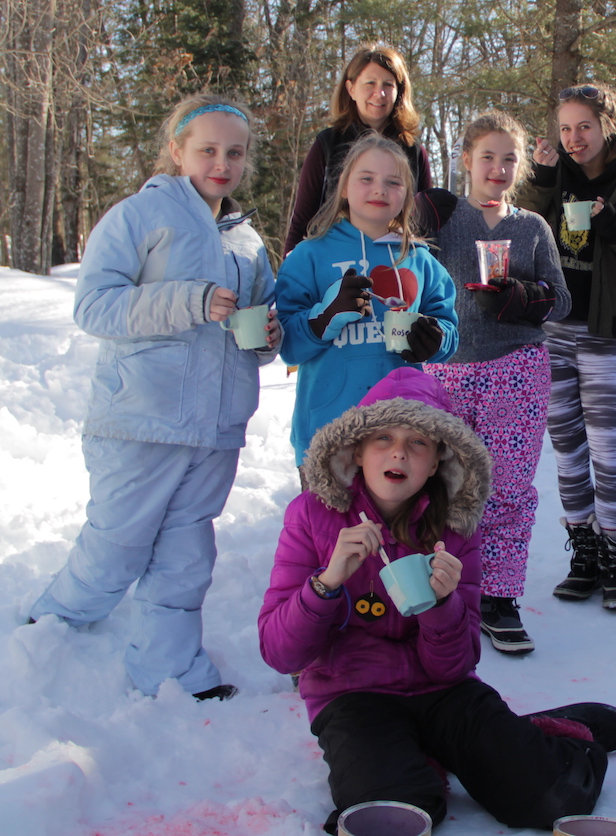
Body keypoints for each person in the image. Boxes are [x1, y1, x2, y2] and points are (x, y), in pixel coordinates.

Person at [258, 367, 616, 832]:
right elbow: (279, 653)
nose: (399, 451)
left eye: (418, 442)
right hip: (353, 695)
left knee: (548, 798)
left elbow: (455, 666)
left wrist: (443, 607)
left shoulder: (455, 527)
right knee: (392, 811)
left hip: (444, 693)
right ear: (356, 450)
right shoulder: (312, 515)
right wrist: (327, 583)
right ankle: (427, 759)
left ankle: (555, 736)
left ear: (437, 461)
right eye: (383, 438)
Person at [28, 94, 281, 700]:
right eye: (208, 150)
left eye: (235, 152)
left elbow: (262, 324)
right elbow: (94, 306)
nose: (222, 162)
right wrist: (188, 300)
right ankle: (52, 627)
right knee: (119, 540)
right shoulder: (140, 217)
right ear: (178, 150)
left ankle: (171, 668)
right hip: (141, 416)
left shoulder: (248, 242)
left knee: (187, 556)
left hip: (216, 426)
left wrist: (268, 336)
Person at [516, 82, 616, 611]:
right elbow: (521, 228)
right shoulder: (552, 176)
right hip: (553, 329)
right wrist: (538, 177)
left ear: (608, 126)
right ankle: (583, 556)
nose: (574, 137)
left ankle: (615, 558)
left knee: (608, 452)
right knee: (568, 452)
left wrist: (613, 223)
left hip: (608, 333)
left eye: (584, 126)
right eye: (565, 128)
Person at [424, 110, 571, 654]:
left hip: (515, 368)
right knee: (441, 486)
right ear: (466, 160)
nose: (499, 167)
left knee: (507, 489)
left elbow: (562, 298)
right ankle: (444, 587)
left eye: (510, 158)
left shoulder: (531, 227)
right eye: (488, 156)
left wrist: (524, 297)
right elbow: (404, 270)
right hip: (447, 368)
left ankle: (500, 599)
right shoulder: (442, 219)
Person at [276, 132, 459, 469]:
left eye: (393, 182)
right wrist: (325, 317)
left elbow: (448, 329)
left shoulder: (419, 259)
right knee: (328, 523)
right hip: (328, 429)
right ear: (344, 188)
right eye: (367, 179)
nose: (380, 189)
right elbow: (288, 345)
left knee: (396, 523)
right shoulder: (309, 256)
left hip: (401, 433)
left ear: (407, 196)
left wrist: (433, 339)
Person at [284, 43, 453, 253]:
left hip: (393, 260)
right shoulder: (327, 144)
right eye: (370, 83)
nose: (379, 93)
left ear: (399, 91)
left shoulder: (412, 150)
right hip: (334, 256)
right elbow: (302, 219)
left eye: (388, 85)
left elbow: (425, 225)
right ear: (351, 89)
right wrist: (289, 270)